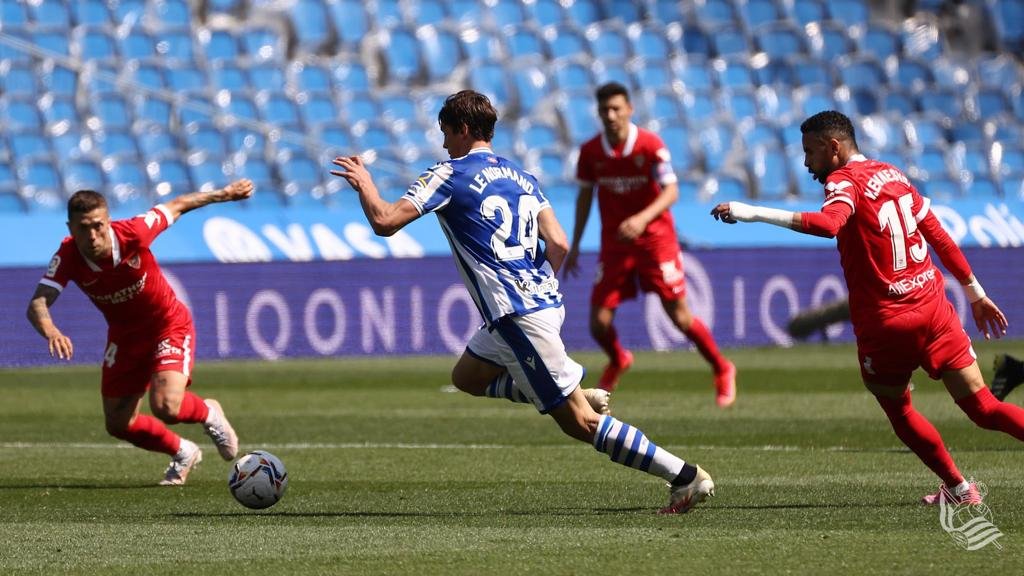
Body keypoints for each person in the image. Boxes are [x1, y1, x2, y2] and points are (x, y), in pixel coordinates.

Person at [330, 90, 714, 513]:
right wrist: (533, 283)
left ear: (461, 129)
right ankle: (559, 388)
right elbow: (560, 242)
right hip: (538, 304)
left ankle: (685, 477)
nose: (443, 144)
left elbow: (385, 221)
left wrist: (365, 184)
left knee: (582, 424)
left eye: (445, 133)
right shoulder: (522, 176)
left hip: (518, 314)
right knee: (467, 377)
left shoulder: (448, 173)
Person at [710, 110, 1024, 505]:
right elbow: (939, 236)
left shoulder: (843, 182)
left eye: (810, 152)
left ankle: (960, 488)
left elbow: (829, 225)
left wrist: (750, 211)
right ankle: (957, 489)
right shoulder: (894, 175)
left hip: (888, 321)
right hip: (936, 310)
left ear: (834, 148)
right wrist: (975, 293)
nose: (807, 163)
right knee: (984, 406)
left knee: (899, 409)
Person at [26, 180, 253, 485]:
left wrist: (225, 195)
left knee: (167, 406)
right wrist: (51, 330)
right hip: (124, 338)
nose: (92, 236)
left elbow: (177, 205)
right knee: (119, 424)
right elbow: (38, 302)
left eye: (98, 226)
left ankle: (209, 413)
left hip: (167, 325)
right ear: (70, 227)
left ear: (108, 221)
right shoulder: (68, 256)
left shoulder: (134, 232)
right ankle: (183, 451)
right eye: (83, 228)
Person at [564, 81, 735, 406]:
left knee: (680, 317)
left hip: (656, 240)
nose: (611, 115)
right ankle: (618, 359)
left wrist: (642, 219)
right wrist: (575, 245)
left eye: (616, 108)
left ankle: (722, 367)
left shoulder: (650, 145)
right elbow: (584, 197)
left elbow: (671, 191)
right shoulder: (590, 152)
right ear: (598, 113)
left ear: (629, 109)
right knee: (598, 323)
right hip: (615, 244)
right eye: (605, 110)